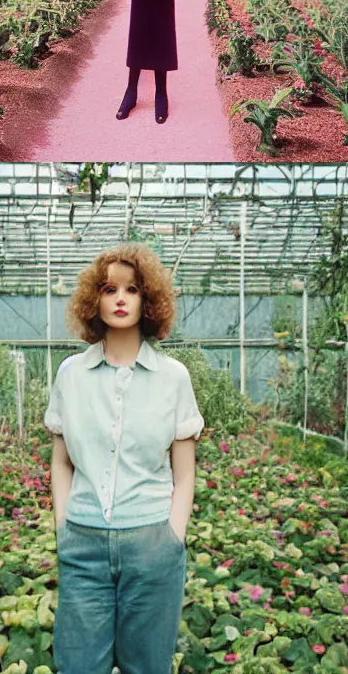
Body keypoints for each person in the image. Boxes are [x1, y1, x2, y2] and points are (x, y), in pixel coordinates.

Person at [44, 243, 204, 674]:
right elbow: (61, 461)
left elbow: (184, 472)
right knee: (77, 666)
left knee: (148, 667)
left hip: (153, 545)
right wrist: (64, 525)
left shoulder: (173, 378)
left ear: (148, 300)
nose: (119, 298)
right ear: (92, 299)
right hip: (82, 545)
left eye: (131, 289)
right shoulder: (70, 375)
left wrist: (172, 536)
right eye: (109, 288)